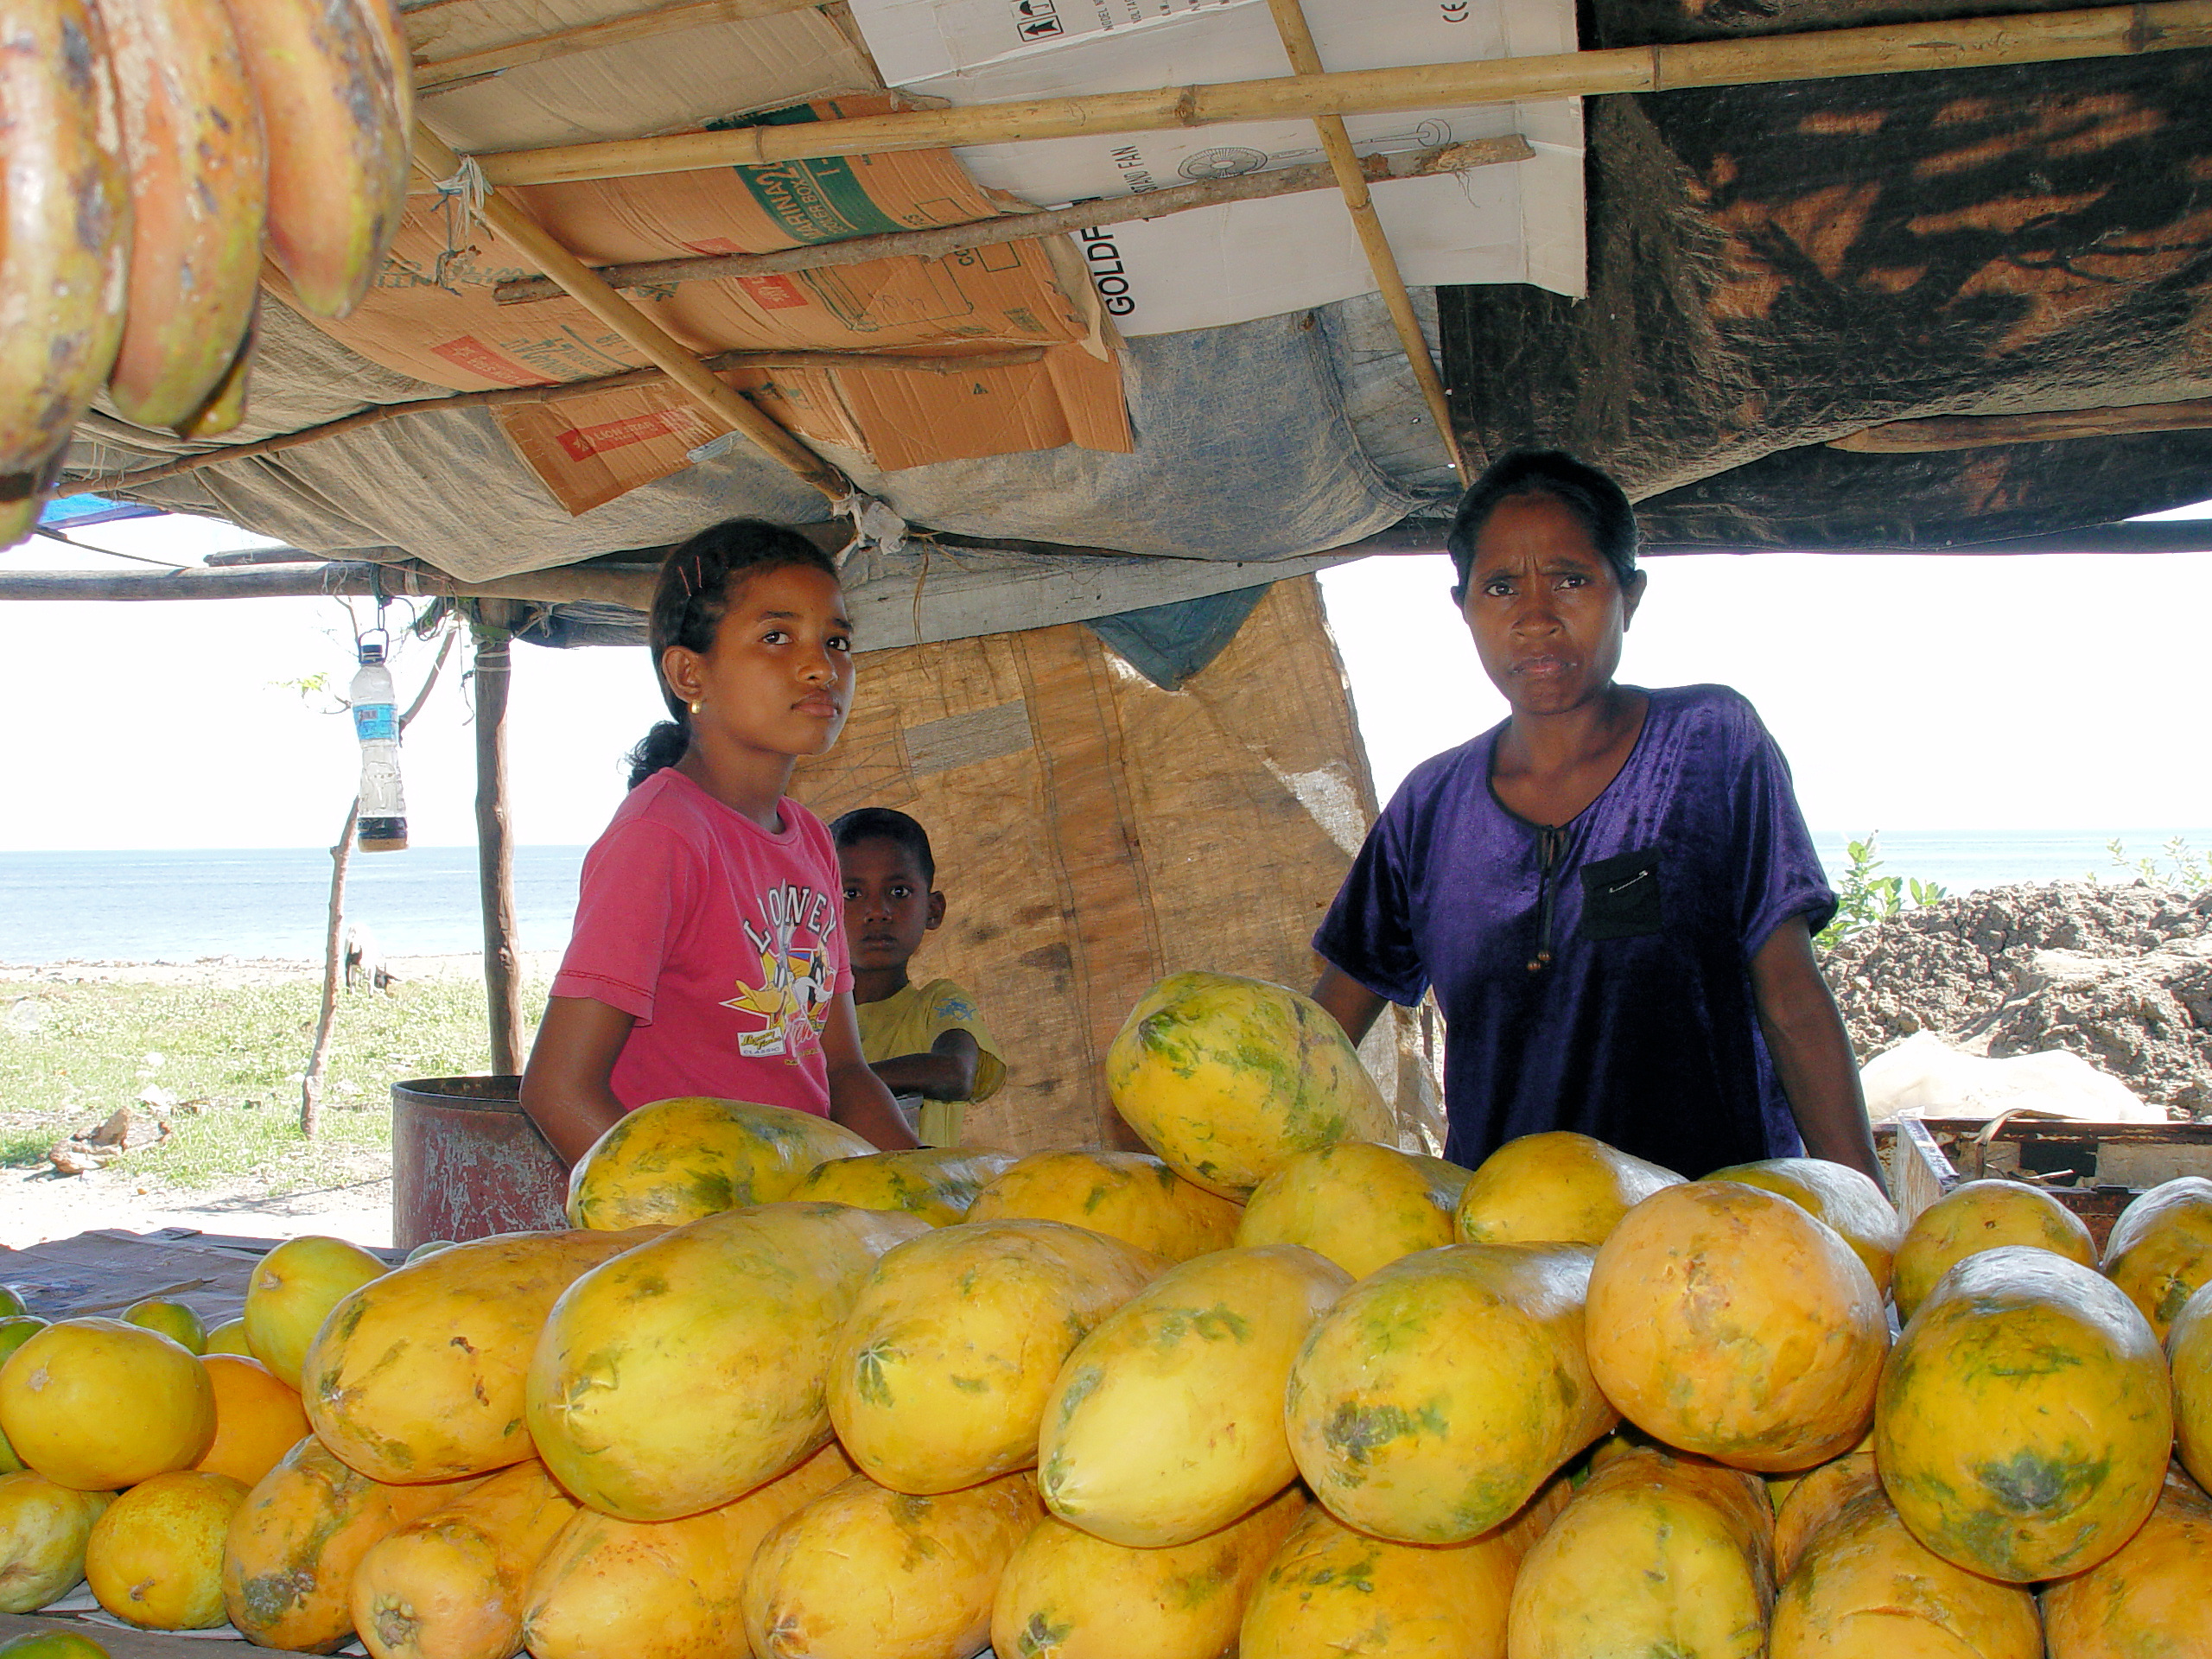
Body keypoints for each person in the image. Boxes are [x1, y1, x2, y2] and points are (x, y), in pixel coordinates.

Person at [1309, 449, 1879, 1183]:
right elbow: (1315, 1046)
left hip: (1726, 1241)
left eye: (1572, 580)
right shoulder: (1429, 808)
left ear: (1629, 596)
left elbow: (1792, 999)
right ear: (1466, 608)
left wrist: (1871, 1219)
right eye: (1502, 587)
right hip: (1513, 1261)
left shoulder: (1710, 743)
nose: (1536, 618)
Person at [518, 519, 917, 1165]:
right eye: (777, 636)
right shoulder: (662, 836)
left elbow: (841, 1074)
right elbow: (557, 1090)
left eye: (836, 640)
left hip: (793, 1216)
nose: (821, 666)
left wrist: (939, 1193)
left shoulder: (811, 839)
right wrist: (690, 1228)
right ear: (689, 674)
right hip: (702, 1234)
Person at [832, 807, 1006, 1147]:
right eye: (851, 894)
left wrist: (843, 1085)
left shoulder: (938, 1004)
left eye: (898, 892)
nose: (877, 912)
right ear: (819, 912)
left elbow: (956, 1072)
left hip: (922, 1196)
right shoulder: (806, 1022)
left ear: (933, 910)